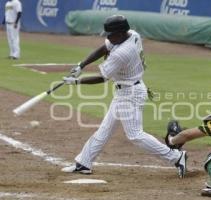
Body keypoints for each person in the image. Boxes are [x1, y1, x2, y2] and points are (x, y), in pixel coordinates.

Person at [61, 15, 187, 178]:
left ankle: (176, 157)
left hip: (131, 94)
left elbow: (103, 77)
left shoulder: (122, 53)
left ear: (120, 34)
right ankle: (84, 162)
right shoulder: (132, 34)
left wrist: (77, 82)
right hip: (126, 91)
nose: (108, 38)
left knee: (135, 135)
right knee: (104, 130)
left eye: (110, 35)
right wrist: (81, 65)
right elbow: (104, 48)